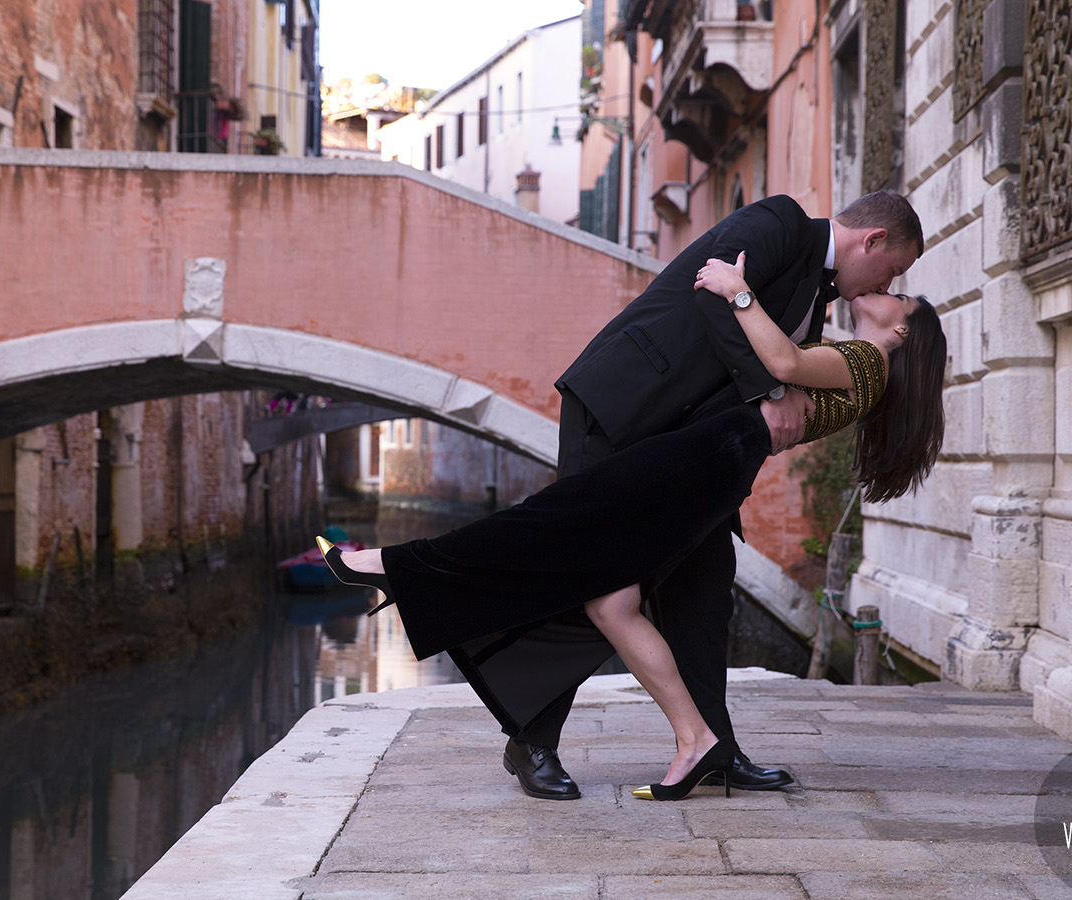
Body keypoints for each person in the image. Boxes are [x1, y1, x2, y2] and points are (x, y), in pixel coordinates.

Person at [319, 253, 947, 799]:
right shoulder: (867, 366)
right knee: (613, 603)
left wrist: (737, 290)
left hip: (708, 455)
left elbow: (781, 361)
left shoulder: (869, 362)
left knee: (550, 523)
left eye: (898, 296)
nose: (885, 290)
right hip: (718, 460)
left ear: (904, 331)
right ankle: (696, 740)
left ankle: (390, 567)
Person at [506, 190, 925, 800]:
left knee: (703, 593)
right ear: (874, 241)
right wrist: (768, 395)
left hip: (689, 450)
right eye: (891, 270)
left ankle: (713, 750)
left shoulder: (825, 297)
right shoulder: (779, 221)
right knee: (588, 579)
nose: (885, 282)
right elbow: (713, 292)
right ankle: (531, 741)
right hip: (622, 410)